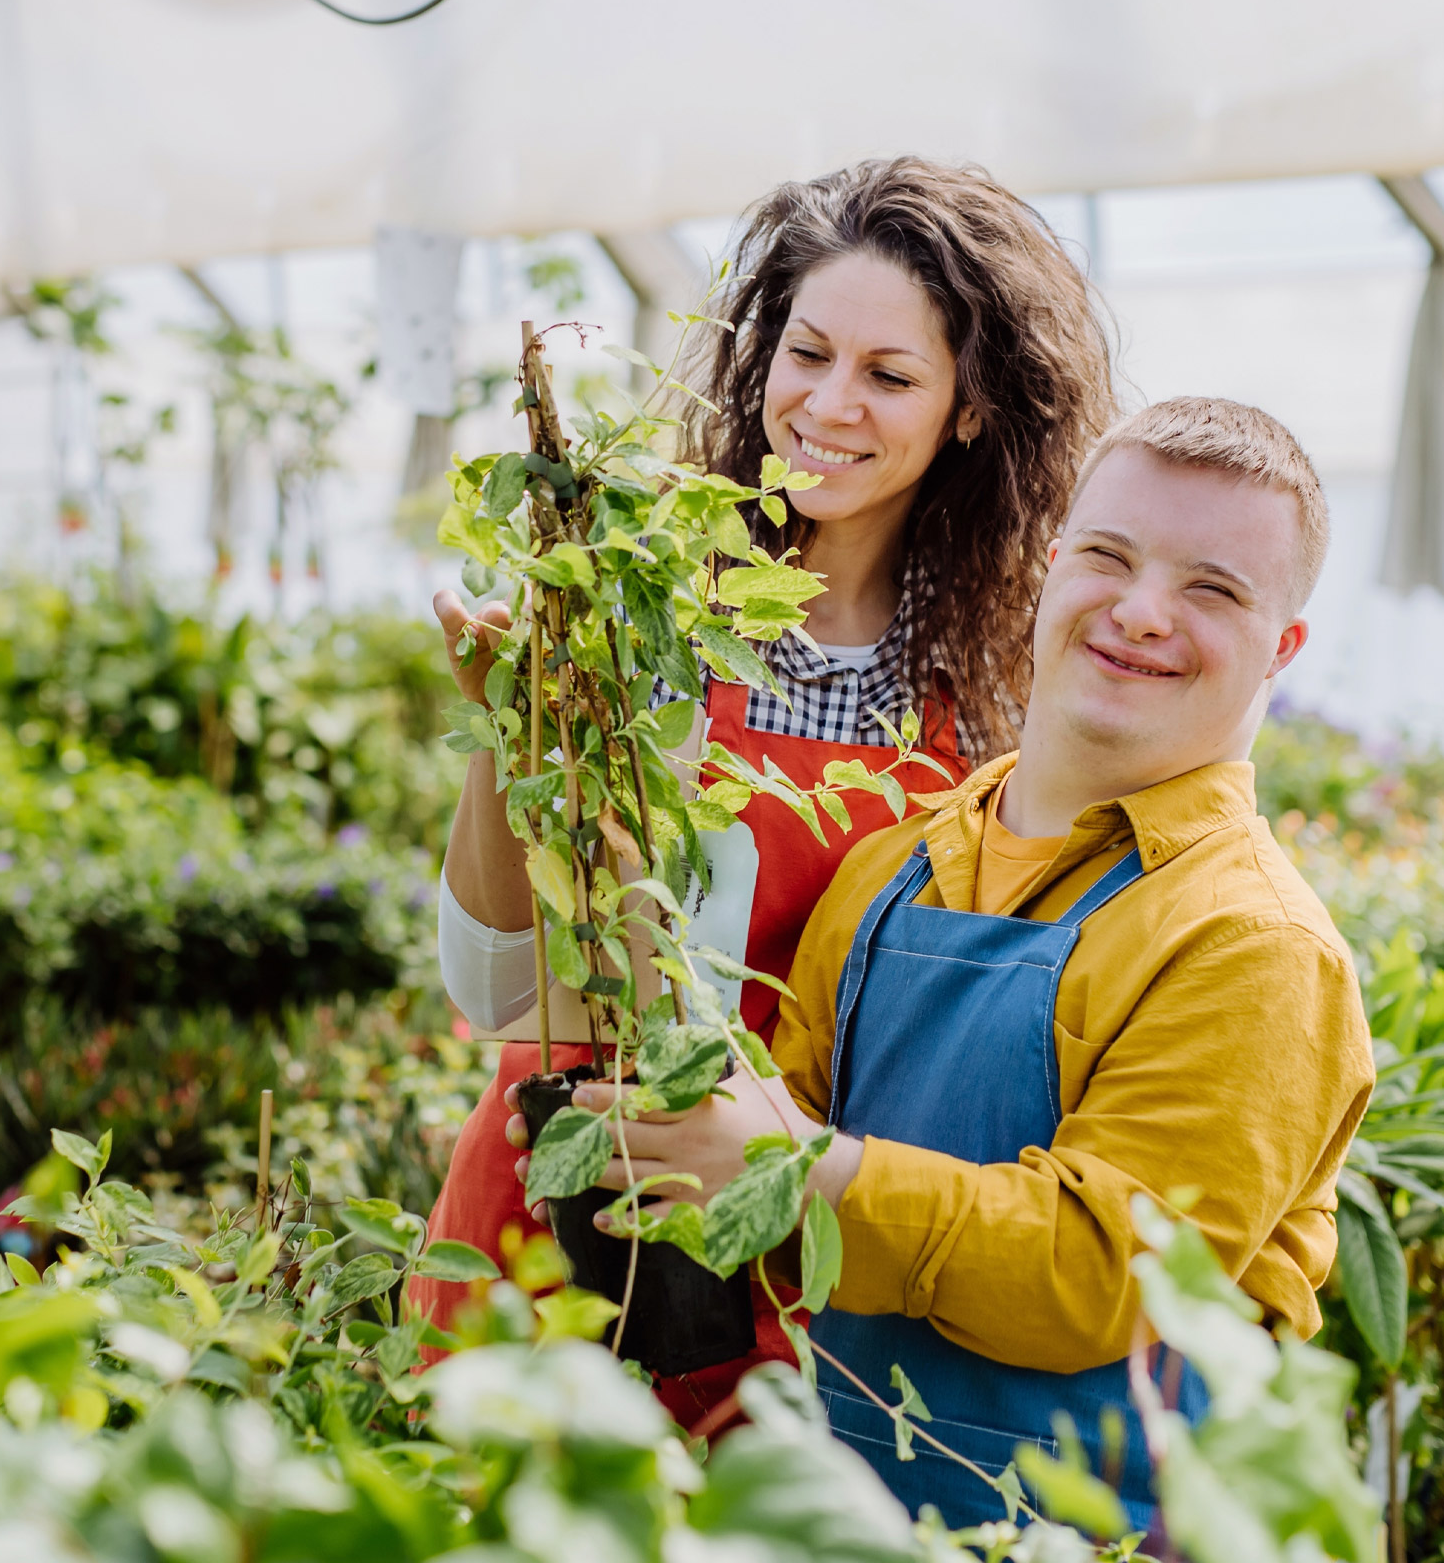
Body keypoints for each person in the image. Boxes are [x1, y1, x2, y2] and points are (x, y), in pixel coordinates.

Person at [536, 397, 1376, 1528]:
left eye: (1212, 589)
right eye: (1108, 558)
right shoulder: (894, 870)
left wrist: (792, 1170)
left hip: (1115, 1536)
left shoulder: (1253, 944)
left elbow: (1103, 1273)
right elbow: (781, 1221)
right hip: (858, 1516)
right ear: (1047, 567)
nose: (1140, 612)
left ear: (1283, 647)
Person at [411, 157, 1118, 1425]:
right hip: (561, 1206)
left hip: (788, 1250)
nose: (829, 405)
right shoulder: (642, 606)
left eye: (891, 376)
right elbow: (493, 987)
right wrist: (507, 724)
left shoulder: (995, 701)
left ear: (968, 411)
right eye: (808, 353)